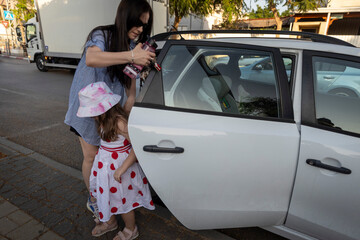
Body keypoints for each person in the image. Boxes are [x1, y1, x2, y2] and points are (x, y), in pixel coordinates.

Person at [64, 0, 155, 222]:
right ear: (125, 17)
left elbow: (131, 93)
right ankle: (95, 200)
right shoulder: (103, 35)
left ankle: (111, 199)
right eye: (138, 23)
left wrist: (121, 119)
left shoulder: (135, 48)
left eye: (145, 25)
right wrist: (132, 56)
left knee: (106, 158)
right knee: (91, 156)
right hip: (89, 110)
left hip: (111, 113)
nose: (141, 30)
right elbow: (92, 58)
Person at [77, 82, 155, 239]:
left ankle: (131, 229)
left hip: (120, 169)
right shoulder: (102, 120)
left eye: (93, 111)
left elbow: (137, 147)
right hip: (106, 166)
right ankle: (110, 222)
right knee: (107, 196)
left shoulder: (120, 122)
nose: (91, 115)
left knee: (124, 201)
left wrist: (122, 169)